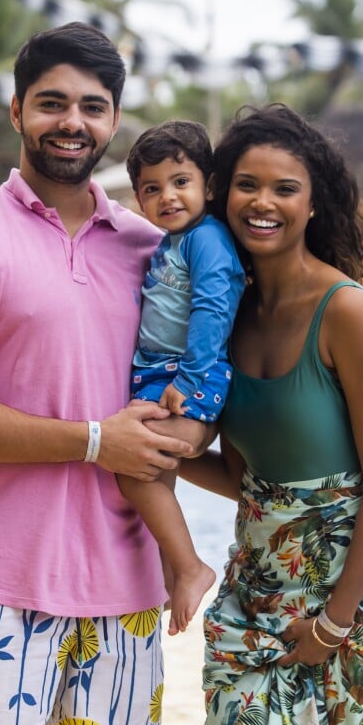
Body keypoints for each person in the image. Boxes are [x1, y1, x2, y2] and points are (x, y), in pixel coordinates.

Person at [0, 22, 196, 725]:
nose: (72, 122)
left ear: (114, 121)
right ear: (16, 111)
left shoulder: (149, 249)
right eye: (52, 103)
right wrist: (96, 441)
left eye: (92, 107)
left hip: (123, 577)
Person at [178, 103, 363, 725]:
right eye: (246, 184)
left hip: (353, 599)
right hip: (257, 596)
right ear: (222, 194)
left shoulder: (346, 310)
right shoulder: (226, 317)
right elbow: (243, 479)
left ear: (313, 204)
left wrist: (333, 624)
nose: (263, 202)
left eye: (284, 188)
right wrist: (160, 457)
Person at [117, 120, 246, 637]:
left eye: (180, 181)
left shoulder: (206, 239)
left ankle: (191, 566)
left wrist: (191, 380)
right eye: (152, 189)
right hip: (160, 370)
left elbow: (214, 309)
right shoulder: (174, 241)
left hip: (188, 371)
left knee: (135, 468)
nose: (167, 196)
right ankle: (174, 573)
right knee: (158, 476)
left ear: (208, 186)